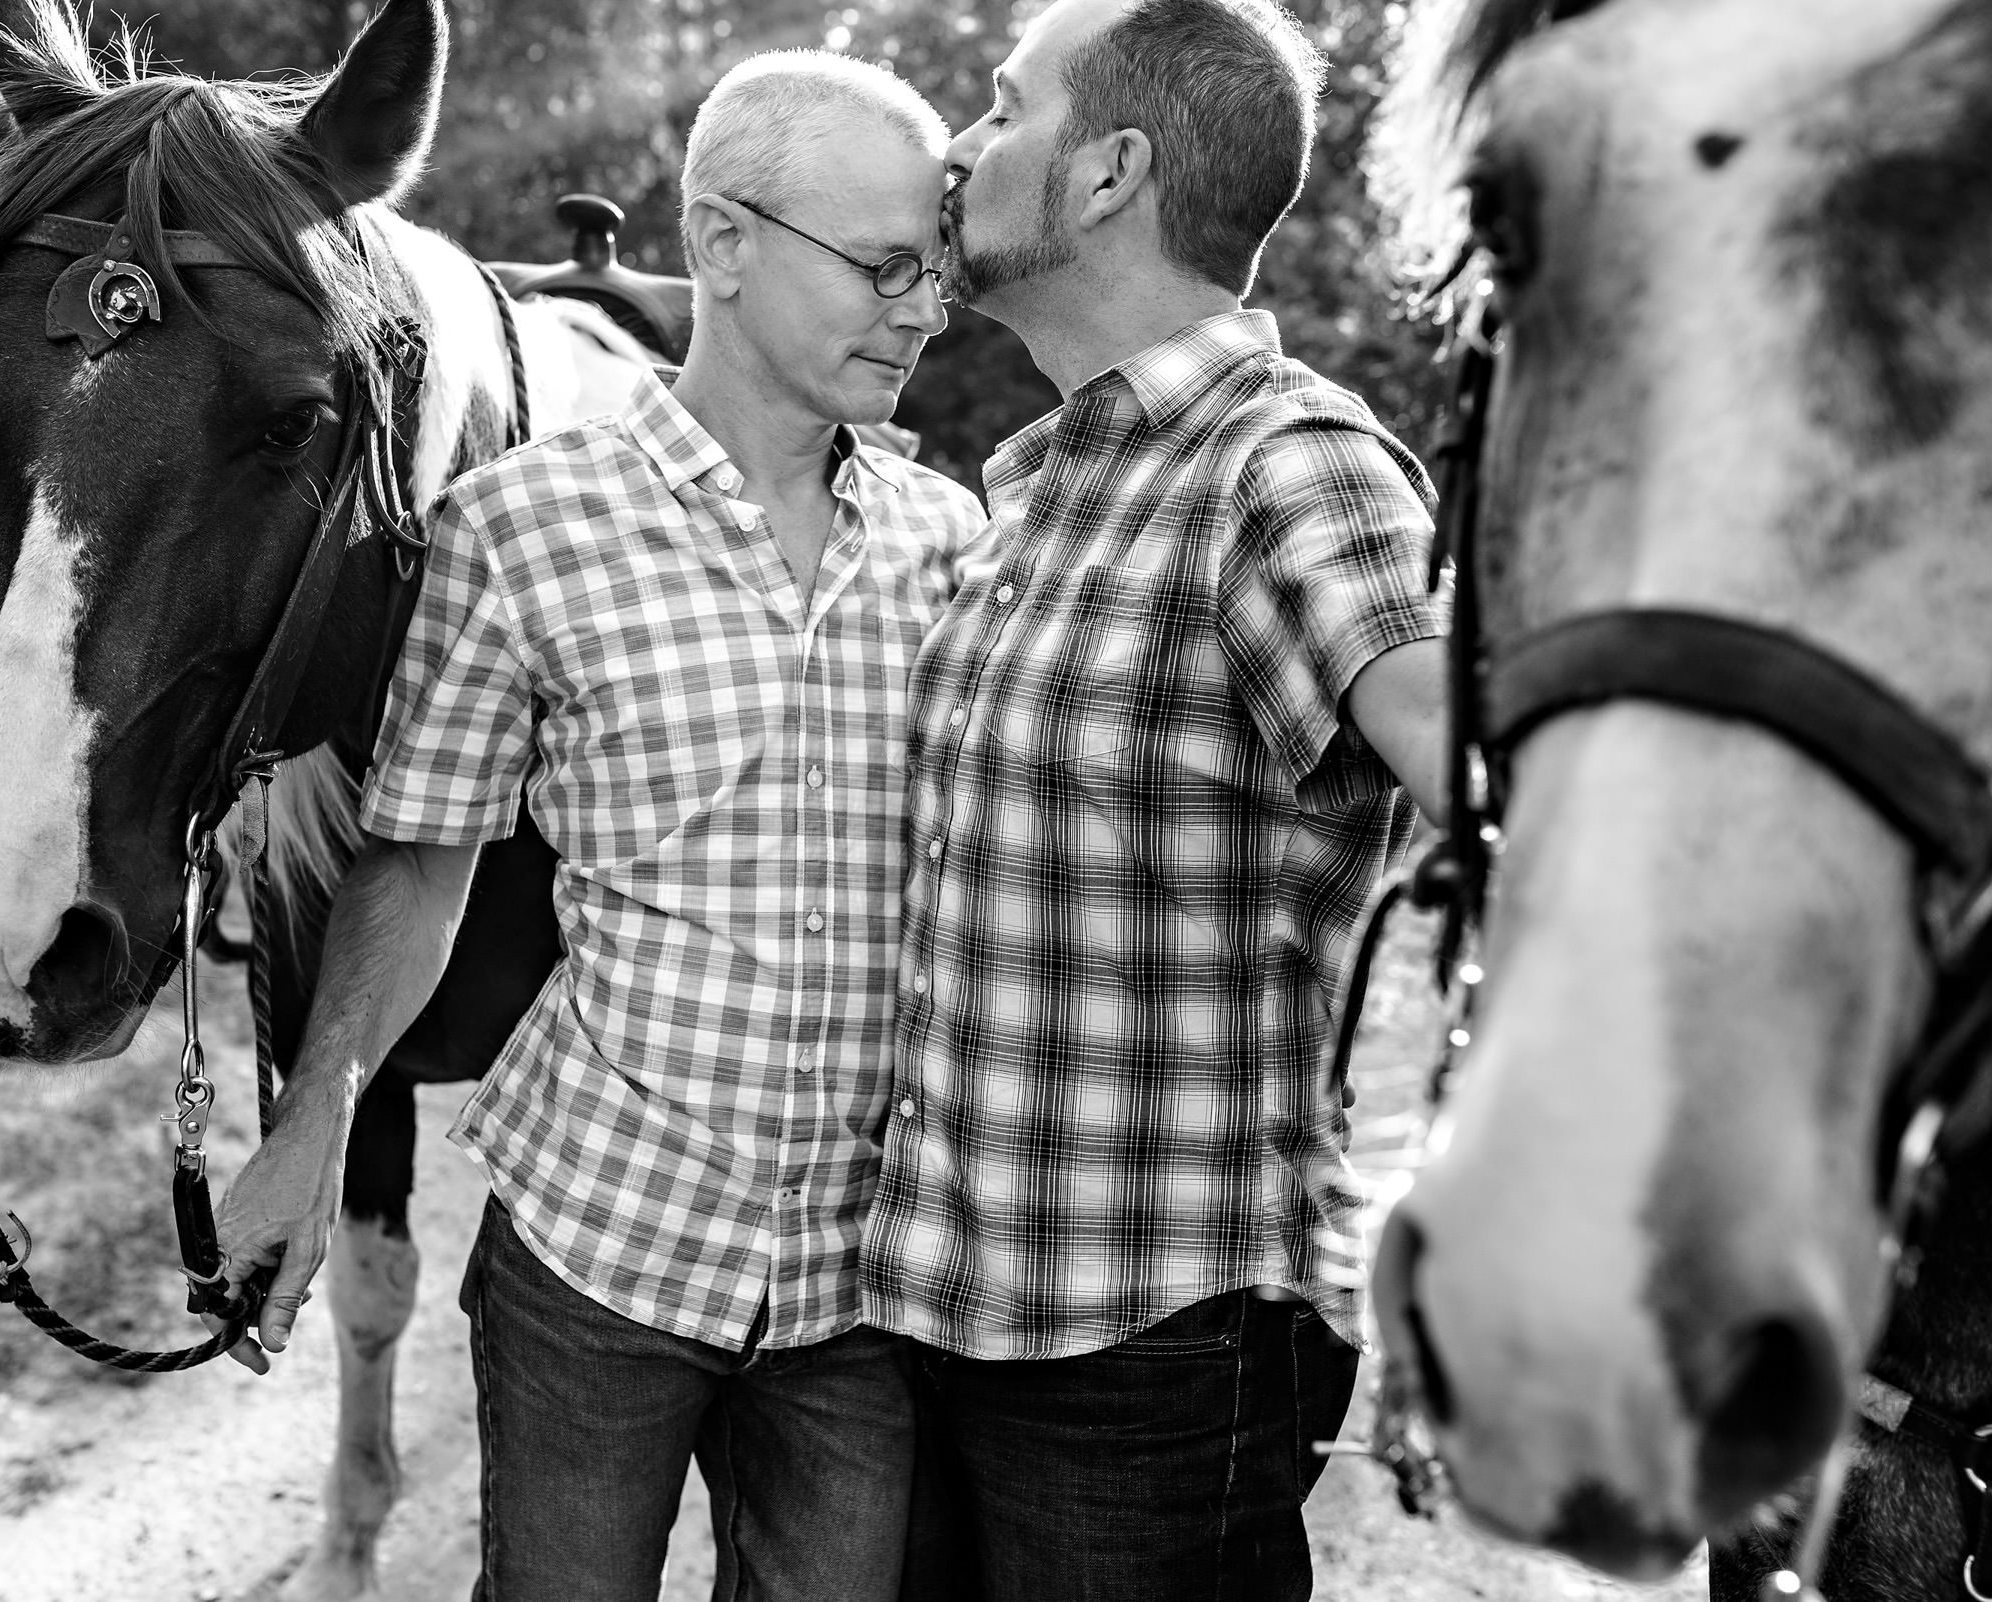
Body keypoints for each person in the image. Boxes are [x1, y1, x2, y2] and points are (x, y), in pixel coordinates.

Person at [212, 50, 989, 1602]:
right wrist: (305, 1131)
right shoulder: (515, 530)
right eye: (885, 267)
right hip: (597, 1265)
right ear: (723, 245)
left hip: (855, 1298)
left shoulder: (947, 534)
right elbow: (421, 862)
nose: (922, 312)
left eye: (940, 274)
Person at [857, 0, 1449, 1597]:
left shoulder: (1292, 466)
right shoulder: (1047, 486)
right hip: (933, 1311)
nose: (960, 149)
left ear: (1110, 170)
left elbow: (1511, 801)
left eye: (999, 107)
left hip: (1153, 1356)